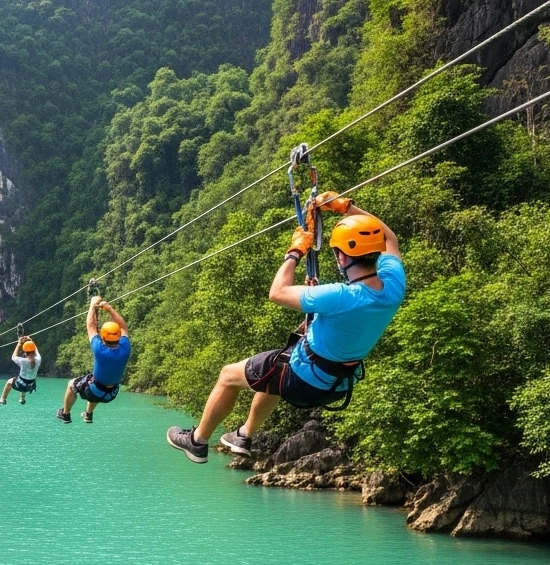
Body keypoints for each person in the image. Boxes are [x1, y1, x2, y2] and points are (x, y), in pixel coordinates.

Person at [166, 194, 405, 462]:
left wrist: (295, 252)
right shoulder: (393, 286)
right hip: (336, 384)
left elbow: (277, 292)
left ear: (341, 256)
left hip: (303, 378)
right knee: (271, 370)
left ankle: (197, 441)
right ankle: (244, 434)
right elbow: (390, 238)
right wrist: (348, 209)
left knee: (228, 375)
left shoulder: (340, 296)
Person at [57, 297, 131, 423]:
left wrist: (92, 305)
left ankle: (66, 414)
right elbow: (123, 326)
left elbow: (91, 325)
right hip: (112, 393)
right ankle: (88, 414)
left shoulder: (100, 349)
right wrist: (109, 309)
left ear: (103, 337)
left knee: (72, 384)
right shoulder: (126, 347)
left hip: (95, 390)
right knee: (92, 381)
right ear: (118, 335)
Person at [0, 338, 41, 405]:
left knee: (9, 382)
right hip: (31, 386)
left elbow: (13, 357)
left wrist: (19, 344)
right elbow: (36, 350)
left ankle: (3, 399)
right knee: (21, 380)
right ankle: (22, 399)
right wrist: (31, 341)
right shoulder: (38, 359)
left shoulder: (23, 361)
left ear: (25, 352)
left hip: (21, 385)